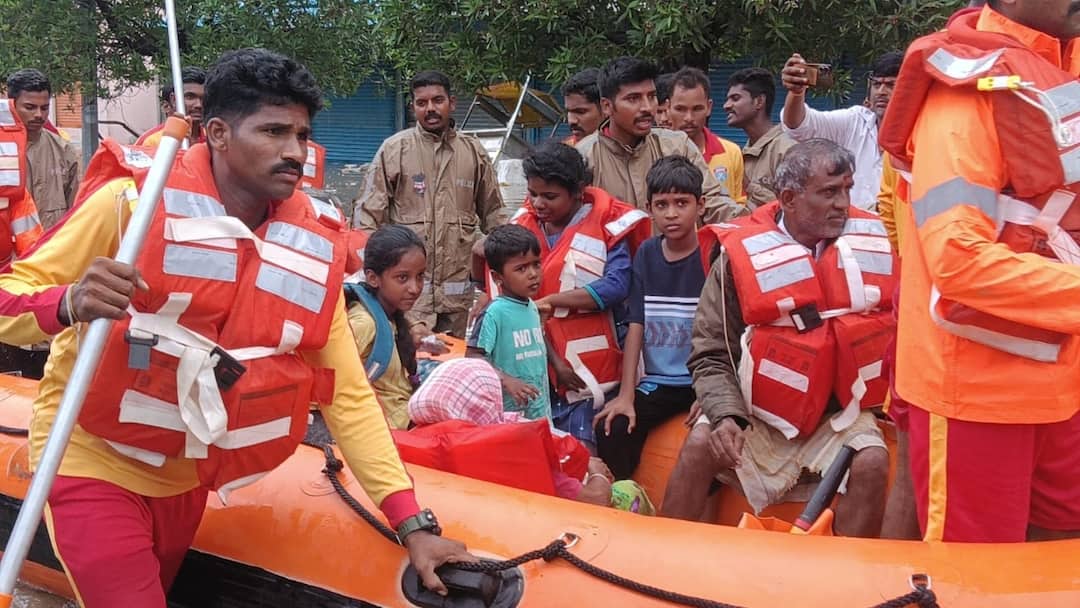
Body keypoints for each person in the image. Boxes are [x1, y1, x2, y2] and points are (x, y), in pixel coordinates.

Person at [0, 49, 473, 606]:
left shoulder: (316, 244)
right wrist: (69, 301)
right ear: (218, 133)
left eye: (302, 134)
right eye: (274, 131)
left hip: (188, 478)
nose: (295, 152)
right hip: (92, 458)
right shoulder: (130, 204)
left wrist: (412, 523)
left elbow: (347, 394)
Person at [878, 0, 1080, 543]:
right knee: (977, 583)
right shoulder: (963, 92)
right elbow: (957, 259)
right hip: (973, 394)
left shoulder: (1068, 67)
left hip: (1064, 382)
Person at [660, 140, 892, 538]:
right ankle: (660, 553)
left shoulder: (871, 245)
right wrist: (726, 414)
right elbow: (711, 350)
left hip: (838, 415)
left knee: (872, 462)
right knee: (701, 443)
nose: (843, 203)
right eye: (829, 192)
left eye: (847, 190)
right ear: (789, 198)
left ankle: (853, 578)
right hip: (757, 409)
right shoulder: (737, 255)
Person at [509, 142, 651, 451]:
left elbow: (616, 285)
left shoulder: (606, 226)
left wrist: (554, 302)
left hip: (590, 376)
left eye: (549, 196)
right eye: (533, 194)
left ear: (577, 192)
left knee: (582, 449)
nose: (538, 203)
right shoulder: (522, 228)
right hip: (538, 364)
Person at [356, 69, 506, 338]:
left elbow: (495, 215)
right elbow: (367, 219)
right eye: (421, 103)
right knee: (407, 371)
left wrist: (497, 286)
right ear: (413, 106)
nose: (430, 109)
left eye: (438, 100)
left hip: (458, 303)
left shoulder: (473, 153)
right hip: (408, 301)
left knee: (450, 371)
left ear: (452, 102)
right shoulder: (394, 150)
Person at [593, 157, 707, 480]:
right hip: (659, 382)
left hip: (701, 381)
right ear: (649, 208)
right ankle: (627, 499)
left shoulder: (713, 253)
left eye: (681, 203)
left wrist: (711, 394)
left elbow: (729, 331)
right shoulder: (645, 253)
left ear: (701, 205)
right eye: (662, 204)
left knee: (709, 443)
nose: (671, 213)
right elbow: (636, 326)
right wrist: (627, 395)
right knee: (613, 426)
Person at [576, 57, 744, 224]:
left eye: (651, 96)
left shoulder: (678, 145)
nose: (647, 108)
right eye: (633, 99)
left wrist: (752, 223)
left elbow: (712, 201)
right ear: (607, 106)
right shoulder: (584, 157)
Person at [781, 51, 903, 211]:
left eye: (890, 85)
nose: (880, 92)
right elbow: (799, 127)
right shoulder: (856, 120)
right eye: (876, 84)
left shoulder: (923, 133)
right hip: (849, 232)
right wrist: (796, 92)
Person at [345, 225, 428, 429]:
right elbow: (325, 378)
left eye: (420, 276)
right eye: (402, 278)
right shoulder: (364, 323)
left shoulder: (392, 317)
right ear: (373, 278)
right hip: (384, 428)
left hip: (402, 415)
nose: (415, 288)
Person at [467, 225, 550, 420]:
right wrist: (506, 380)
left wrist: (559, 367)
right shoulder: (494, 312)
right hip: (509, 413)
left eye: (536, 264)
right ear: (498, 277)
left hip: (539, 407)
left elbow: (536, 342)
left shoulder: (530, 306)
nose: (532, 274)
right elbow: (473, 356)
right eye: (521, 268)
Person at [6, 69, 80, 230]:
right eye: (30, 107)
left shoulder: (63, 150)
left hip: (52, 249)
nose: (39, 114)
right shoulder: (4, 148)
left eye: (44, 108)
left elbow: (75, 212)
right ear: (11, 104)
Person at [668, 67, 746, 205]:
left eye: (697, 109)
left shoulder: (731, 152)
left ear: (709, 107)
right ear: (668, 107)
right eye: (680, 109)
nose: (689, 118)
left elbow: (738, 204)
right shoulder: (656, 151)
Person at [725, 67, 796, 209]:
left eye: (735, 98)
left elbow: (793, 208)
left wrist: (749, 186)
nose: (726, 106)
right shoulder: (738, 154)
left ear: (759, 101)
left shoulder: (787, 150)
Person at [136, 66, 206, 148]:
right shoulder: (153, 142)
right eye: (190, 97)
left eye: (204, 98)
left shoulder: (213, 138)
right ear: (173, 100)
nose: (199, 105)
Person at [562, 67, 603, 145]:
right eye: (568, 111)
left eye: (580, 112)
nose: (571, 121)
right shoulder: (564, 152)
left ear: (606, 108)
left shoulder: (629, 151)